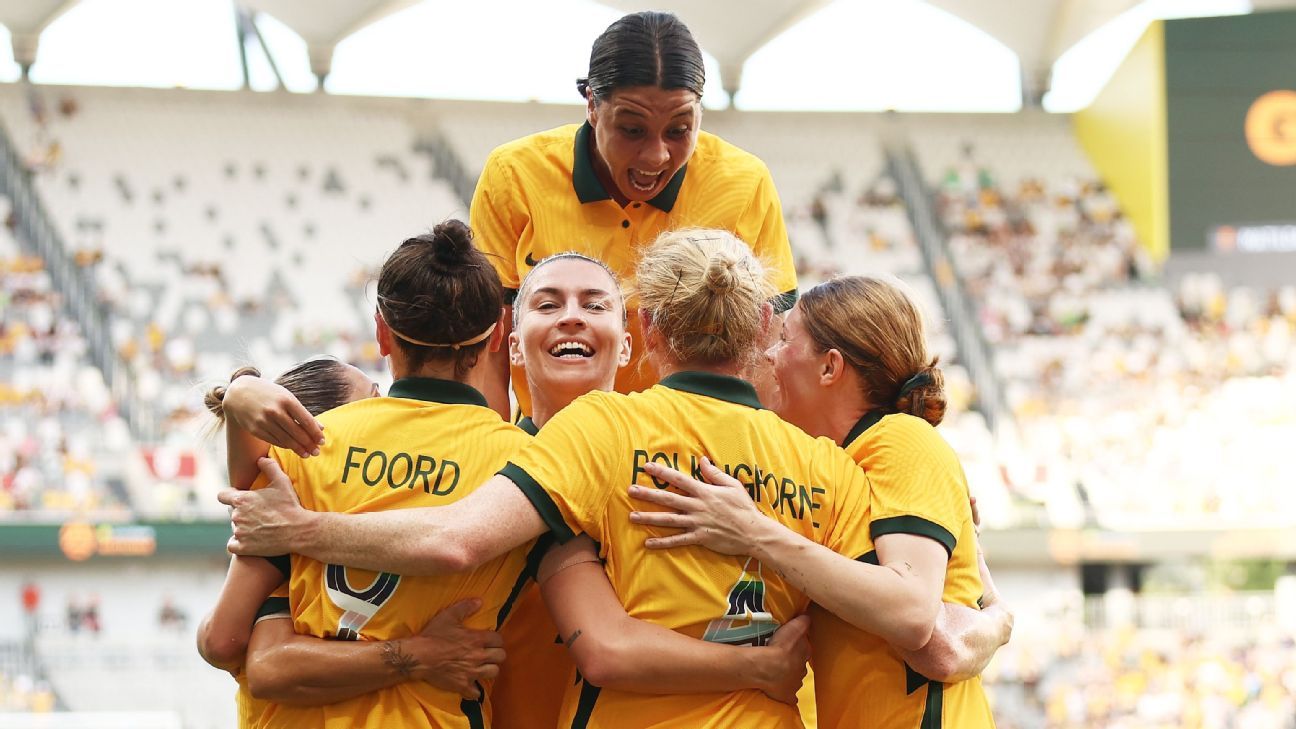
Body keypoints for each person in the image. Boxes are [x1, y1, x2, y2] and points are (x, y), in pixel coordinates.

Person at [219, 230, 958, 728]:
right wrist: (238, 392)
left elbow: (474, 555)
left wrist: (291, 512)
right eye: (548, 301)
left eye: (593, 302)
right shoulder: (827, 464)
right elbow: (916, 605)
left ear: (646, 333)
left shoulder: (600, 434)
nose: (571, 317)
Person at [629, 275, 1011, 728]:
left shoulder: (899, 439)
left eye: (786, 339)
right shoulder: (829, 466)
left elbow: (915, 616)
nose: (769, 355)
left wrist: (753, 532)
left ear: (830, 368)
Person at [470, 10, 798, 420]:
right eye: (632, 129)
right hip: (550, 443)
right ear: (592, 105)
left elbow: (766, 353)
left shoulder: (745, 183)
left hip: (687, 455)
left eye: (679, 130)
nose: (656, 155)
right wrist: (497, 458)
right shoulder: (514, 175)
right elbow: (489, 349)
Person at [196, 357, 502, 729]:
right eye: (373, 400)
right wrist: (422, 655)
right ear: (319, 431)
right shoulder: (285, 521)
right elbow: (228, 644)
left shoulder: (326, 517)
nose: (388, 410)